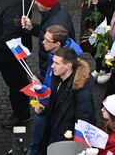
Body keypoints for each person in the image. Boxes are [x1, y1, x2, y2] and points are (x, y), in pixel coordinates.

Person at [28, 25, 83, 155]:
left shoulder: (64, 64)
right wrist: (42, 83)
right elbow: (50, 76)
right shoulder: (56, 54)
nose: (42, 42)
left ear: (57, 44)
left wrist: (45, 97)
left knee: (40, 135)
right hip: (47, 101)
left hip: (51, 109)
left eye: (47, 40)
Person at [37, 47, 95, 155]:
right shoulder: (57, 78)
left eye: (56, 63)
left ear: (68, 66)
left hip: (65, 143)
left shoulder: (81, 92)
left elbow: (84, 123)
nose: (52, 66)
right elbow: (56, 105)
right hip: (53, 134)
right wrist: (44, 109)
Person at [0, 0, 31, 128]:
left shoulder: (16, 0)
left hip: (10, 51)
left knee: (17, 85)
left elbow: (11, 33)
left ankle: (22, 115)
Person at [20, 0, 76, 77]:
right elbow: (45, 32)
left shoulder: (57, 23)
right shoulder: (53, 12)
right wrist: (31, 27)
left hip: (51, 69)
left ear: (47, 3)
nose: (35, 3)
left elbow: (59, 56)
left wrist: (45, 75)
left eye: (38, 1)